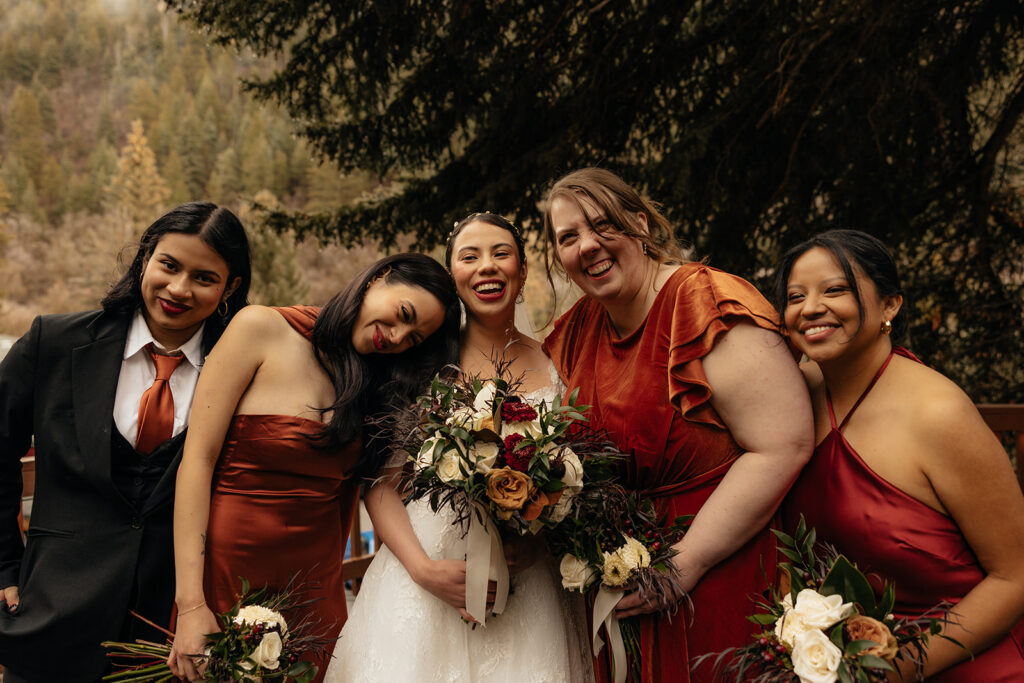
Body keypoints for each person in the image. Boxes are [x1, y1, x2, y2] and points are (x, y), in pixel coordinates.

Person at [540, 168, 814, 682]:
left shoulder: (703, 302)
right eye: (568, 238)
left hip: (721, 569)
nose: (588, 247)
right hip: (623, 585)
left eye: (603, 225)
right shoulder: (576, 329)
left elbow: (785, 444)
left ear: (640, 224)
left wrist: (685, 563)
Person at [167, 253, 461, 683]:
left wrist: (425, 567)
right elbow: (197, 461)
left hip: (316, 591)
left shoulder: (381, 388)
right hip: (225, 575)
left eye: (413, 338)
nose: (398, 337)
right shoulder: (260, 328)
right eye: (403, 314)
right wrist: (192, 604)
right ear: (378, 277)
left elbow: (377, 488)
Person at [327, 213, 594, 682]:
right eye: (470, 257)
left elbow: (572, 479)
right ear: (454, 275)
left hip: (529, 587)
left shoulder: (557, 360)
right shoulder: (424, 360)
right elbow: (380, 485)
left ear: (524, 269)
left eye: (501, 254)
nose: (486, 267)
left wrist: (538, 546)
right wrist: (425, 571)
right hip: (426, 576)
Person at [0, 202, 252, 682]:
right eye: (168, 265)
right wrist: (3, 566)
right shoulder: (52, 343)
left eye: (203, 277)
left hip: (171, 636)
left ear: (230, 288)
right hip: (49, 616)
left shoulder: (244, 372)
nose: (178, 289)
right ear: (145, 259)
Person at [776, 229, 1024, 680]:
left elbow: (1015, 577)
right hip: (846, 665)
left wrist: (902, 668)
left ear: (890, 305)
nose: (810, 307)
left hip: (968, 661)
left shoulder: (938, 414)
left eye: (835, 289)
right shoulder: (796, 395)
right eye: (795, 296)